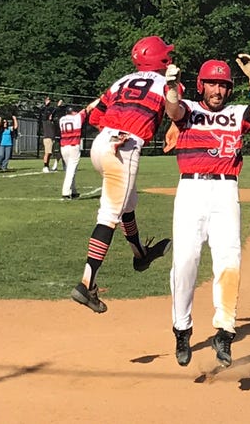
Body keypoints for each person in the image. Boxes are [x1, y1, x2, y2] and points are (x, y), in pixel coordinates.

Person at [164, 54, 250, 368]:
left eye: (223, 85)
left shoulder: (237, 113)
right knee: (185, 261)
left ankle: (224, 332)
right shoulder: (190, 110)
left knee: (229, 261)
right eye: (212, 83)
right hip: (191, 189)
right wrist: (172, 87)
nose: (218, 90)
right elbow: (174, 109)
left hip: (225, 190)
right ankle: (181, 329)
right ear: (201, 85)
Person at [70, 35, 175, 314]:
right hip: (124, 147)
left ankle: (140, 254)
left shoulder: (121, 81)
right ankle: (86, 282)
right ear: (161, 60)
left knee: (128, 204)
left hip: (102, 142)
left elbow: (94, 117)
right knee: (109, 215)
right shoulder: (166, 83)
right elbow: (178, 112)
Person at [59, 104, 89, 199]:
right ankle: (66, 192)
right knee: (71, 170)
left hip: (63, 146)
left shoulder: (62, 119)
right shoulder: (77, 118)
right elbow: (88, 109)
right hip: (73, 146)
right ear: (73, 112)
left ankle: (73, 191)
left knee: (71, 169)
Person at [41, 97, 62, 173]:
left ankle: (48, 166)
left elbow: (54, 113)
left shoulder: (52, 122)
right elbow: (49, 112)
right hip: (47, 138)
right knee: (47, 152)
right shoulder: (45, 121)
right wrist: (47, 105)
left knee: (50, 153)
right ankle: (45, 166)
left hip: (51, 138)